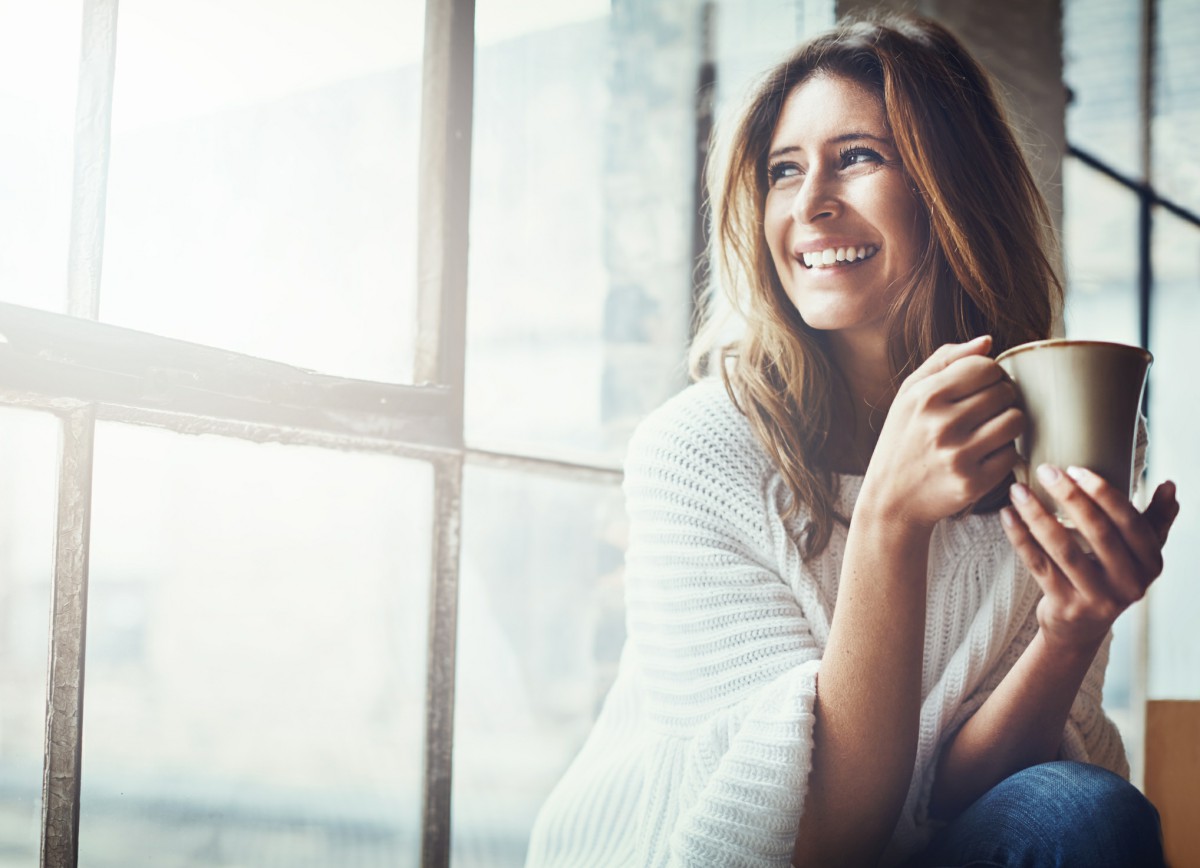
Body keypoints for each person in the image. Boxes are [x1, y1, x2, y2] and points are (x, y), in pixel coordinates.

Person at [525, 13, 1180, 868]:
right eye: (783, 170)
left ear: (955, 191)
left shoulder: (1046, 442)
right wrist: (888, 520)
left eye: (859, 157)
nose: (809, 204)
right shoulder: (697, 452)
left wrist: (1070, 628)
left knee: (1082, 812)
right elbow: (818, 841)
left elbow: (955, 802)